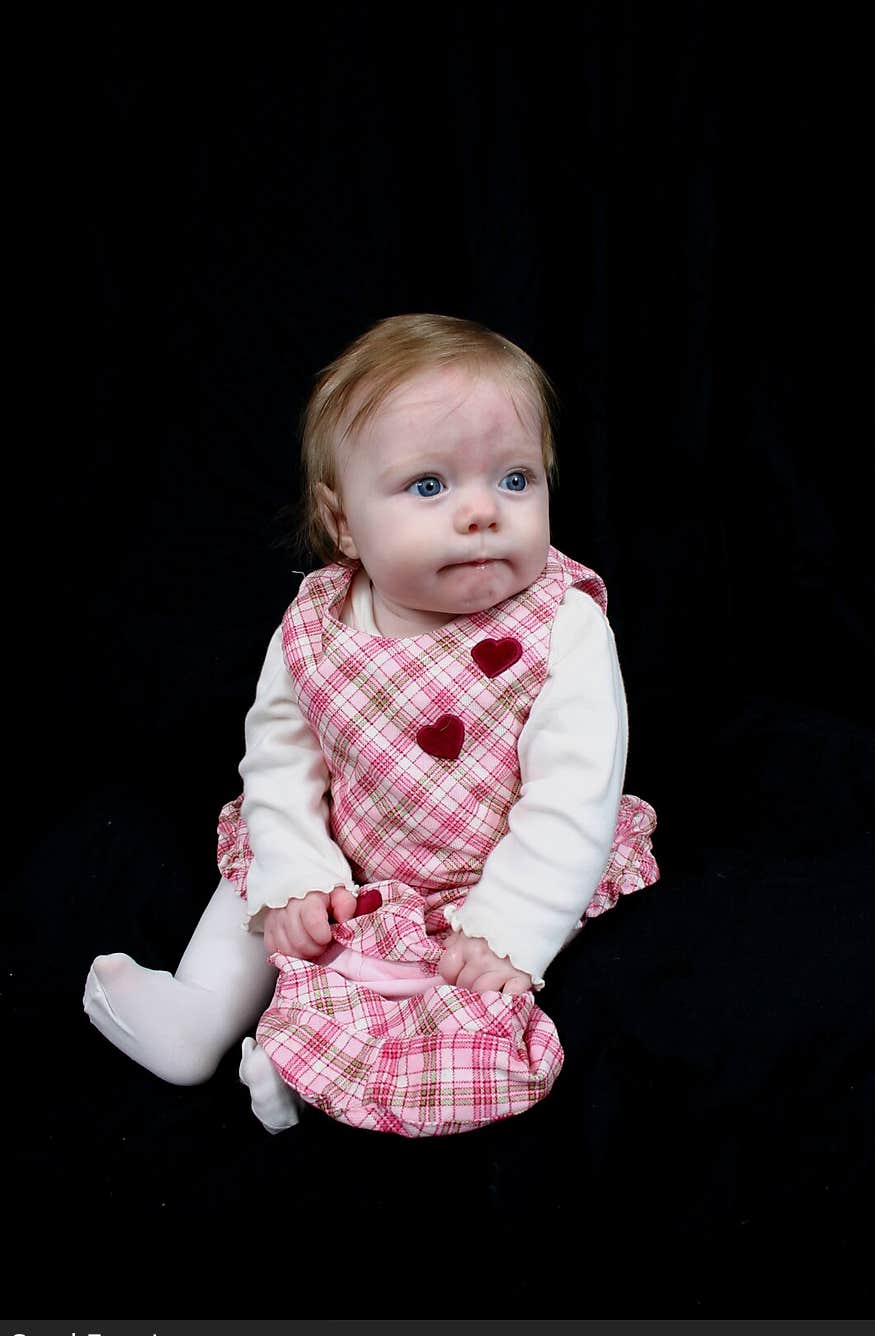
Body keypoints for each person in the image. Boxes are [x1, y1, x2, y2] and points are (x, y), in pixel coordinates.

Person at [84, 313, 658, 1137]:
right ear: (343, 521)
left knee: (455, 988)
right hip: (347, 850)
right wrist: (298, 873)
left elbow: (574, 799)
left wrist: (509, 927)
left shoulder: (559, 626)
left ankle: (306, 1078)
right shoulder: (318, 620)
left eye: (514, 480)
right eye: (429, 485)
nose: (480, 513)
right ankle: (200, 1014)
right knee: (257, 890)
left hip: (490, 874)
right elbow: (281, 756)